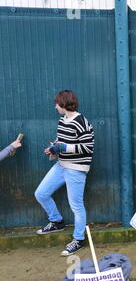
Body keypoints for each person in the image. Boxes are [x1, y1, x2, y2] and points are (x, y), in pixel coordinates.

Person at [34, 90, 94, 256]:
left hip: (76, 169)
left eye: (57, 104)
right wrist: (54, 148)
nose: (55, 107)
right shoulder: (62, 120)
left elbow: (87, 148)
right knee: (41, 193)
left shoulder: (82, 122)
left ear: (64, 104)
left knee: (76, 206)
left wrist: (63, 147)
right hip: (61, 165)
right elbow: (61, 141)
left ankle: (78, 240)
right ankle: (56, 221)